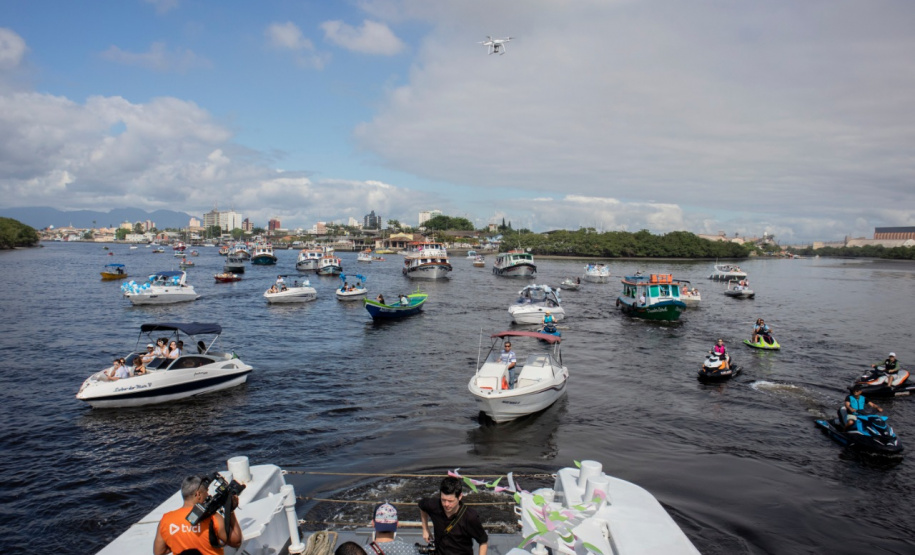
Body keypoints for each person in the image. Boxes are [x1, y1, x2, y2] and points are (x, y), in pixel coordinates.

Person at [153, 475, 242, 555]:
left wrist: (179, 540)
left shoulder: (166, 520)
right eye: (206, 492)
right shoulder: (212, 517)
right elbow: (236, 542)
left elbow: (159, 552)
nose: (208, 495)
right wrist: (230, 510)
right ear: (198, 494)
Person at [418, 477, 488, 555]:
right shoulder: (434, 505)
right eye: (443, 500)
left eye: (450, 501)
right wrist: (425, 529)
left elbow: (483, 542)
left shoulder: (470, 517)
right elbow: (422, 506)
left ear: (460, 496)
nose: (446, 504)